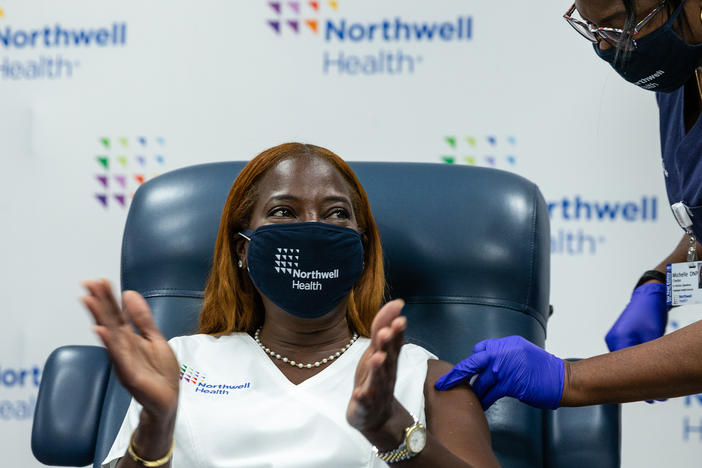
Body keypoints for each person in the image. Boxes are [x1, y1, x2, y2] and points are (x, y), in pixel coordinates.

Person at [82, 143, 499, 467]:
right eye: (284, 211)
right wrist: (154, 426)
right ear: (241, 249)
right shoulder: (179, 364)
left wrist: (391, 427)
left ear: (363, 249)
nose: (312, 229)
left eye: (336, 213)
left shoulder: (424, 377)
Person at [436, 0, 702, 410]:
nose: (610, 47)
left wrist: (570, 380)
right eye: (594, 30)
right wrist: (661, 280)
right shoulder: (680, 73)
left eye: (619, 26)